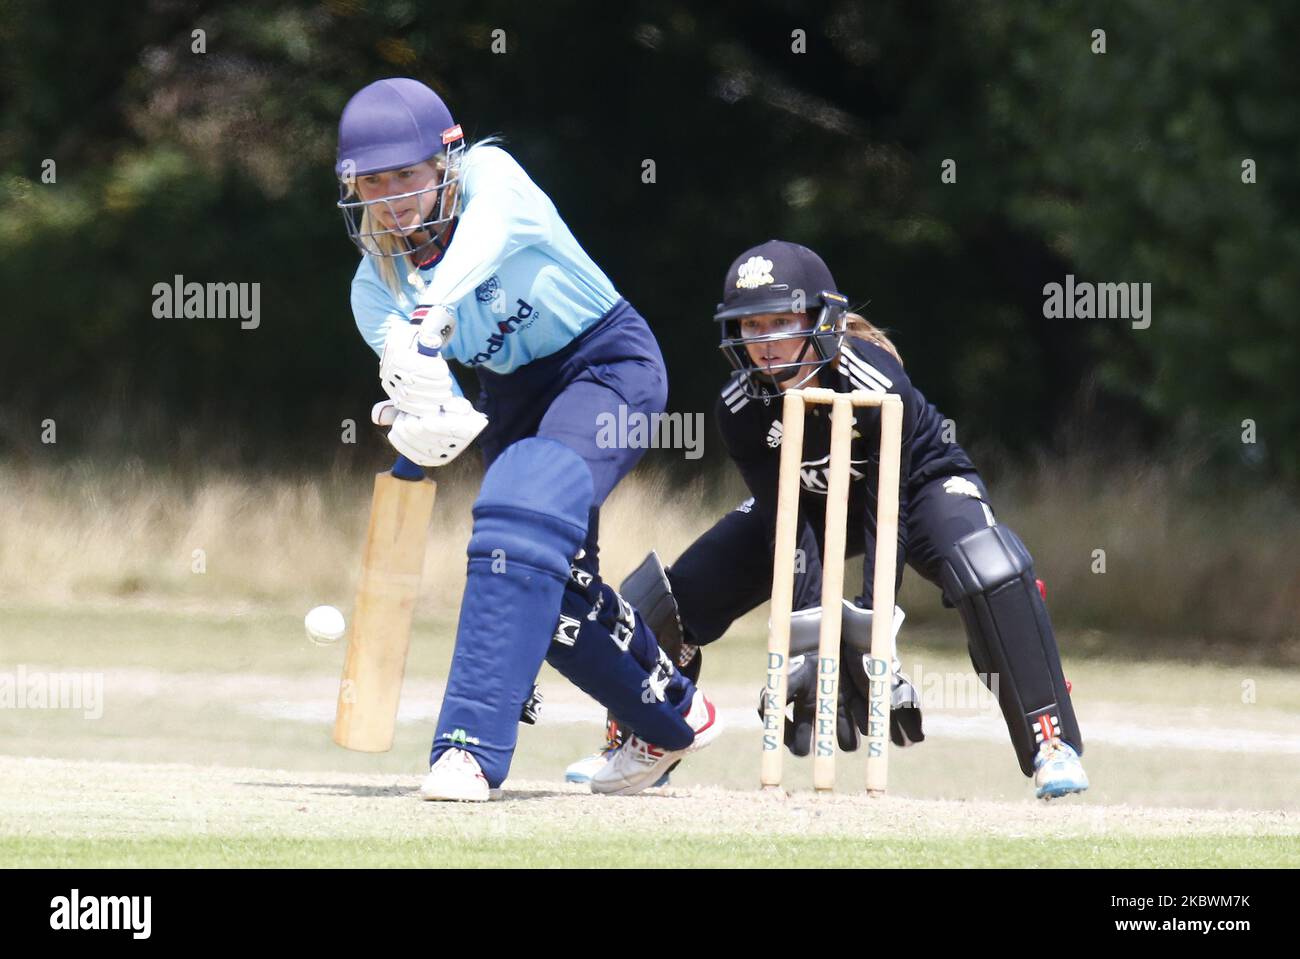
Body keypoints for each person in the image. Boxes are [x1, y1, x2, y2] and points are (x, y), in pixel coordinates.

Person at [571, 240, 1088, 800]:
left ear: (822, 320)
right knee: (664, 601)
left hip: (915, 487)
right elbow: (786, 526)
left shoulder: (876, 381)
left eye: (780, 321)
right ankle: (641, 741)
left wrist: (870, 643)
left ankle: (1049, 744)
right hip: (808, 501)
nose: (764, 344)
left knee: (991, 567)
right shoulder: (741, 410)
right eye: (750, 326)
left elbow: (883, 514)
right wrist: (813, 644)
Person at [336, 77, 720, 801]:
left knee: (516, 517)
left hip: (605, 363)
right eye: (373, 181)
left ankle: (466, 749)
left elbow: (471, 257)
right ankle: (672, 719)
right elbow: (441, 405)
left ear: (444, 161)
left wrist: (427, 324)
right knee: (542, 592)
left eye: (406, 176)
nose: (390, 198)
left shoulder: (492, 177)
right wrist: (423, 413)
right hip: (510, 395)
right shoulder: (372, 286)